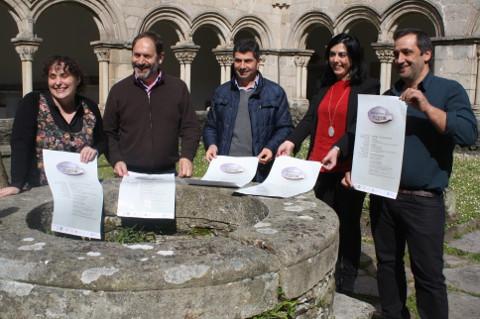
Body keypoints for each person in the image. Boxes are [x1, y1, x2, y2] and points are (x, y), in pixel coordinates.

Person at [344, 28, 478, 318]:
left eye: (407, 52)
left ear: (426, 54)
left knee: (428, 275)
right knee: (388, 267)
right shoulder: (389, 96)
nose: (399, 59)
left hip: (424, 202)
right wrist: (357, 169)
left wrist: (427, 107)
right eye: (395, 54)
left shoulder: (448, 90)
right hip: (385, 198)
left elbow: (468, 133)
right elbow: (369, 141)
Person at [276, 33, 380, 293]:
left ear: (353, 57)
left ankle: (347, 280)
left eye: (342, 54)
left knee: (348, 225)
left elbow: (360, 127)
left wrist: (340, 148)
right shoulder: (324, 85)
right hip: (317, 167)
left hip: (346, 169)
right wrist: (291, 141)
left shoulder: (368, 86)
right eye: (332, 54)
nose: (336, 60)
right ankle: (322, 272)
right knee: (320, 223)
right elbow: (310, 119)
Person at [0, 56, 105, 198]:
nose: (58, 82)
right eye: (52, 76)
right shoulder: (33, 103)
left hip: (80, 190)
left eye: (64, 76)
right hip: (40, 190)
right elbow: (20, 143)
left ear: (78, 79)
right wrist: (16, 184)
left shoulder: (90, 107)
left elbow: (103, 140)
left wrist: (94, 149)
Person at [103, 31, 200, 177]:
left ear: (160, 58)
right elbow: (108, 132)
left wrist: (187, 156)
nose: (140, 62)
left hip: (166, 173)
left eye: (147, 56)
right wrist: (116, 160)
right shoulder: (119, 91)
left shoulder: (177, 88)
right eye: (137, 55)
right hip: (129, 174)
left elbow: (190, 127)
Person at [203, 39, 293, 182]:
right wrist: (212, 145)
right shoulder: (222, 92)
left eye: (248, 61)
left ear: (258, 62)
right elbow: (211, 126)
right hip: (225, 168)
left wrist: (271, 147)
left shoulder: (275, 93)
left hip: (259, 170)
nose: (242, 66)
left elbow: (285, 128)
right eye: (238, 61)